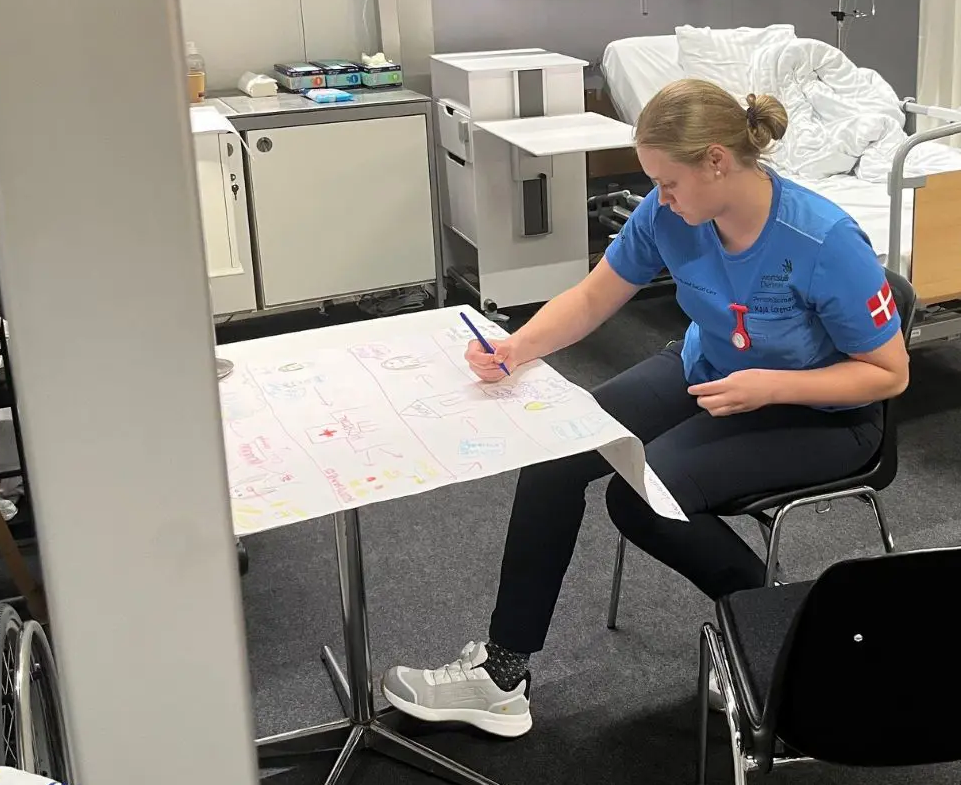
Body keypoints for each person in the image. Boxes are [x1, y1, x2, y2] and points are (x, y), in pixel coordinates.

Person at [381, 79, 910, 738]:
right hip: (710, 372)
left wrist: (771, 388)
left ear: (716, 161)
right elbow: (593, 297)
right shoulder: (670, 215)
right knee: (555, 456)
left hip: (824, 413)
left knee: (643, 496)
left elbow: (888, 374)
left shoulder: (822, 240)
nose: (660, 198)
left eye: (668, 183)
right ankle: (502, 676)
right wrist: (515, 348)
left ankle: (781, 632)